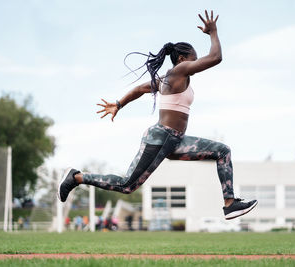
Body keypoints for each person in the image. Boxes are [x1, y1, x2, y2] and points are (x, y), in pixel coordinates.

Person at [58, 10, 257, 220]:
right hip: (161, 137)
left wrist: (119, 104)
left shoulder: (167, 79)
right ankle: (76, 177)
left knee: (222, 151)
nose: (196, 65)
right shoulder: (178, 72)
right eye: (194, 60)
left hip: (175, 141)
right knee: (127, 185)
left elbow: (139, 89)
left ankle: (230, 204)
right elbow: (216, 57)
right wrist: (213, 32)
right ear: (182, 59)